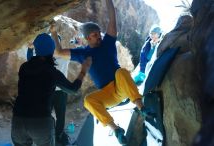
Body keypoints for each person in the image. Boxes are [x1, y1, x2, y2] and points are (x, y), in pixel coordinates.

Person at [50, 0, 155, 144]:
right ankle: (116, 129)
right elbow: (59, 51)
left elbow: (113, 19)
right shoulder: (82, 53)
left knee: (121, 72)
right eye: (95, 34)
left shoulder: (108, 43)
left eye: (99, 33)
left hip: (121, 88)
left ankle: (142, 108)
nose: (99, 36)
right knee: (88, 100)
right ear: (87, 38)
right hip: (107, 95)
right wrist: (54, 33)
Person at [11, 33, 91, 146]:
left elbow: (32, 62)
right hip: (40, 122)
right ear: (53, 49)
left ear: (36, 49)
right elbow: (73, 89)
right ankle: (60, 137)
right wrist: (84, 70)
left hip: (18, 120)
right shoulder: (52, 72)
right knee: (59, 116)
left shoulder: (24, 67)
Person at [27, 34, 72, 145]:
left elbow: (29, 59)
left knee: (49, 115)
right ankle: (57, 136)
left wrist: (30, 48)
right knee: (57, 116)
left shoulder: (43, 60)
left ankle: (53, 136)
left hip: (51, 92)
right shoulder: (62, 57)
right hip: (57, 92)